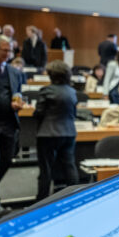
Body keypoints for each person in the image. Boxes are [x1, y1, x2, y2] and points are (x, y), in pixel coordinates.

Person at [0, 35, 24, 219]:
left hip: (9, 123)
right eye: (5, 50)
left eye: (10, 50)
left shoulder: (14, 72)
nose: (9, 54)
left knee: (6, 159)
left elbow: (18, 92)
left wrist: (19, 102)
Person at [33, 60, 78, 200]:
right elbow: (74, 114)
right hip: (69, 132)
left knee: (46, 169)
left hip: (48, 133)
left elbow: (38, 113)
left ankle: (42, 200)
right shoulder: (72, 91)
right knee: (69, 166)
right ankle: (75, 195)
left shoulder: (46, 91)